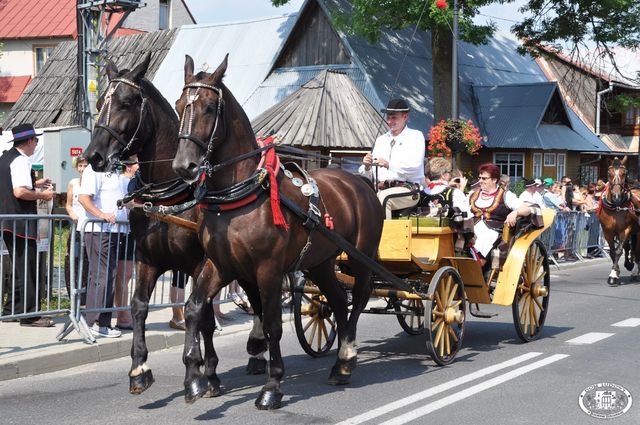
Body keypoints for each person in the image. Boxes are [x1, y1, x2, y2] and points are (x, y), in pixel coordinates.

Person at [0, 124, 56, 327]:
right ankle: (30, 315)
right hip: (21, 220)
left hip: (9, 220)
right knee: (28, 267)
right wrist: (44, 194)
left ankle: (12, 309)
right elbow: (19, 192)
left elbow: (12, 185)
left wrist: (36, 184)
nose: (36, 145)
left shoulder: (6, 158)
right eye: (36, 141)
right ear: (30, 141)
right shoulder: (22, 160)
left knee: (19, 267)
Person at [78, 162, 131, 338]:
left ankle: (96, 321)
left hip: (113, 231)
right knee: (103, 275)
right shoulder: (94, 170)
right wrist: (102, 215)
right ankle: (98, 322)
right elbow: (83, 198)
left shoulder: (114, 171)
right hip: (100, 230)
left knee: (106, 275)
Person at [359, 98, 425, 219]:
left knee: (384, 198)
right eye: (388, 117)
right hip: (380, 188)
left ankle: (384, 238)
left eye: (394, 117)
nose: (389, 121)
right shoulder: (381, 140)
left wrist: (389, 164)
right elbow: (371, 175)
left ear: (405, 117)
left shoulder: (416, 136)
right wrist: (367, 166)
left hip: (408, 190)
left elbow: (415, 166)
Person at [468, 163, 532, 267]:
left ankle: (476, 268)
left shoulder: (506, 195)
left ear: (494, 180)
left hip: (493, 232)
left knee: (483, 239)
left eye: (484, 178)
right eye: (479, 178)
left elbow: (526, 209)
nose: (480, 181)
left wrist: (515, 212)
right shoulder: (473, 195)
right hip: (473, 228)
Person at [64, 155, 90, 304]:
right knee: (73, 259)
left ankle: (87, 298)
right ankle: (74, 298)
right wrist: (71, 212)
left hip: (90, 226)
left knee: (88, 261)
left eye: (85, 165)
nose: (82, 169)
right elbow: (68, 204)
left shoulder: (94, 182)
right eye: (80, 166)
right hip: (76, 227)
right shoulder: (73, 183)